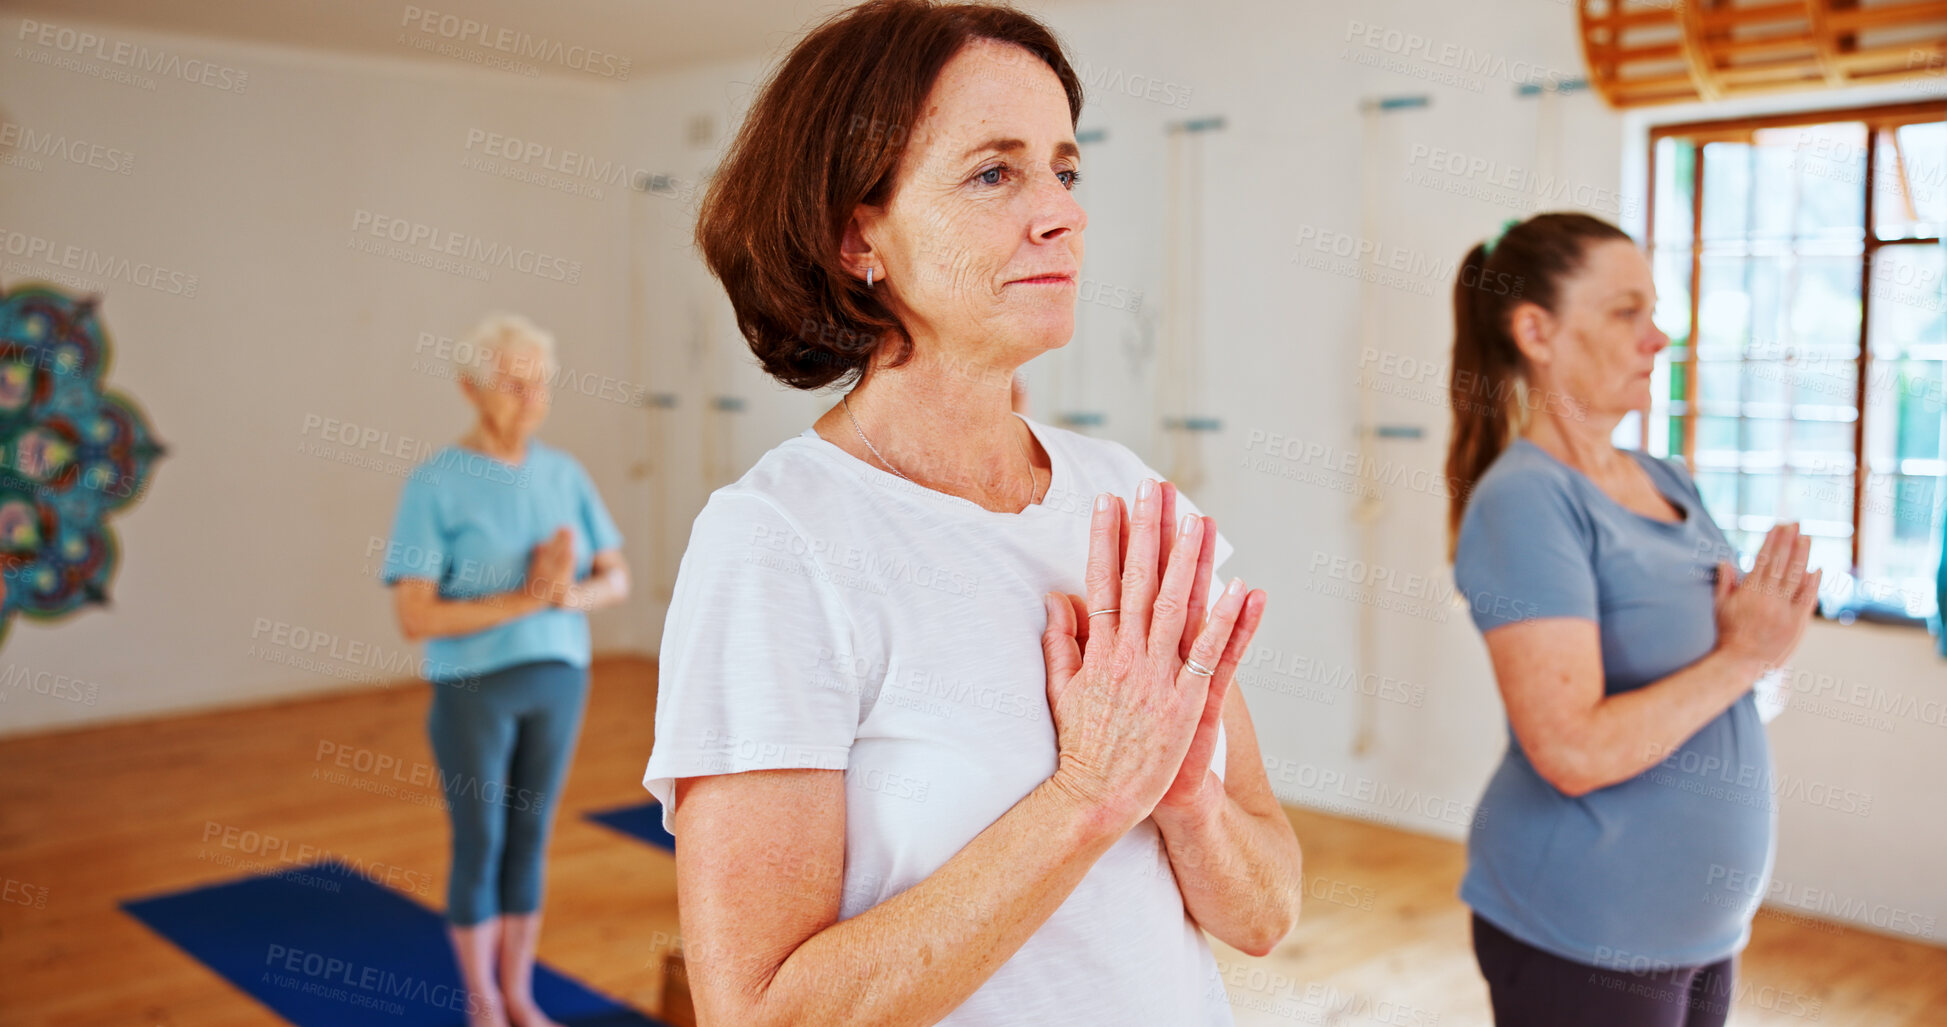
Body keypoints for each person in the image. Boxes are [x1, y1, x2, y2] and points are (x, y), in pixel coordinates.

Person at [640, 2, 1303, 1024]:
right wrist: (1089, 794)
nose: (1063, 213)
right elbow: (764, 1011)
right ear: (859, 233)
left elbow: (1266, 912)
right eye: (995, 173)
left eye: (1066, 170)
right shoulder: (778, 542)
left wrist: (1186, 801)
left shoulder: (1129, 499)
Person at [1444, 212, 1821, 1026]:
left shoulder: (1668, 479)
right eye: (1626, 311)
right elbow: (1570, 750)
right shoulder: (1525, 501)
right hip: (1582, 930)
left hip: (1701, 929)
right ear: (1535, 330)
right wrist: (1742, 656)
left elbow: (1738, 684)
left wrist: (1764, 648)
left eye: (1654, 311)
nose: (1656, 338)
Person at [381, 312, 630, 1027]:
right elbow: (416, 615)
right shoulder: (435, 484)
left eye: (541, 384)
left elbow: (614, 577)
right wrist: (524, 599)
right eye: (513, 384)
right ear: (470, 387)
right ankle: (481, 1001)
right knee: (480, 838)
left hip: (559, 679)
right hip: (473, 687)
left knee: (531, 836)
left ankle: (519, 992)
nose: (531, 398)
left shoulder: (564, 473)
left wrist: (565, 594)